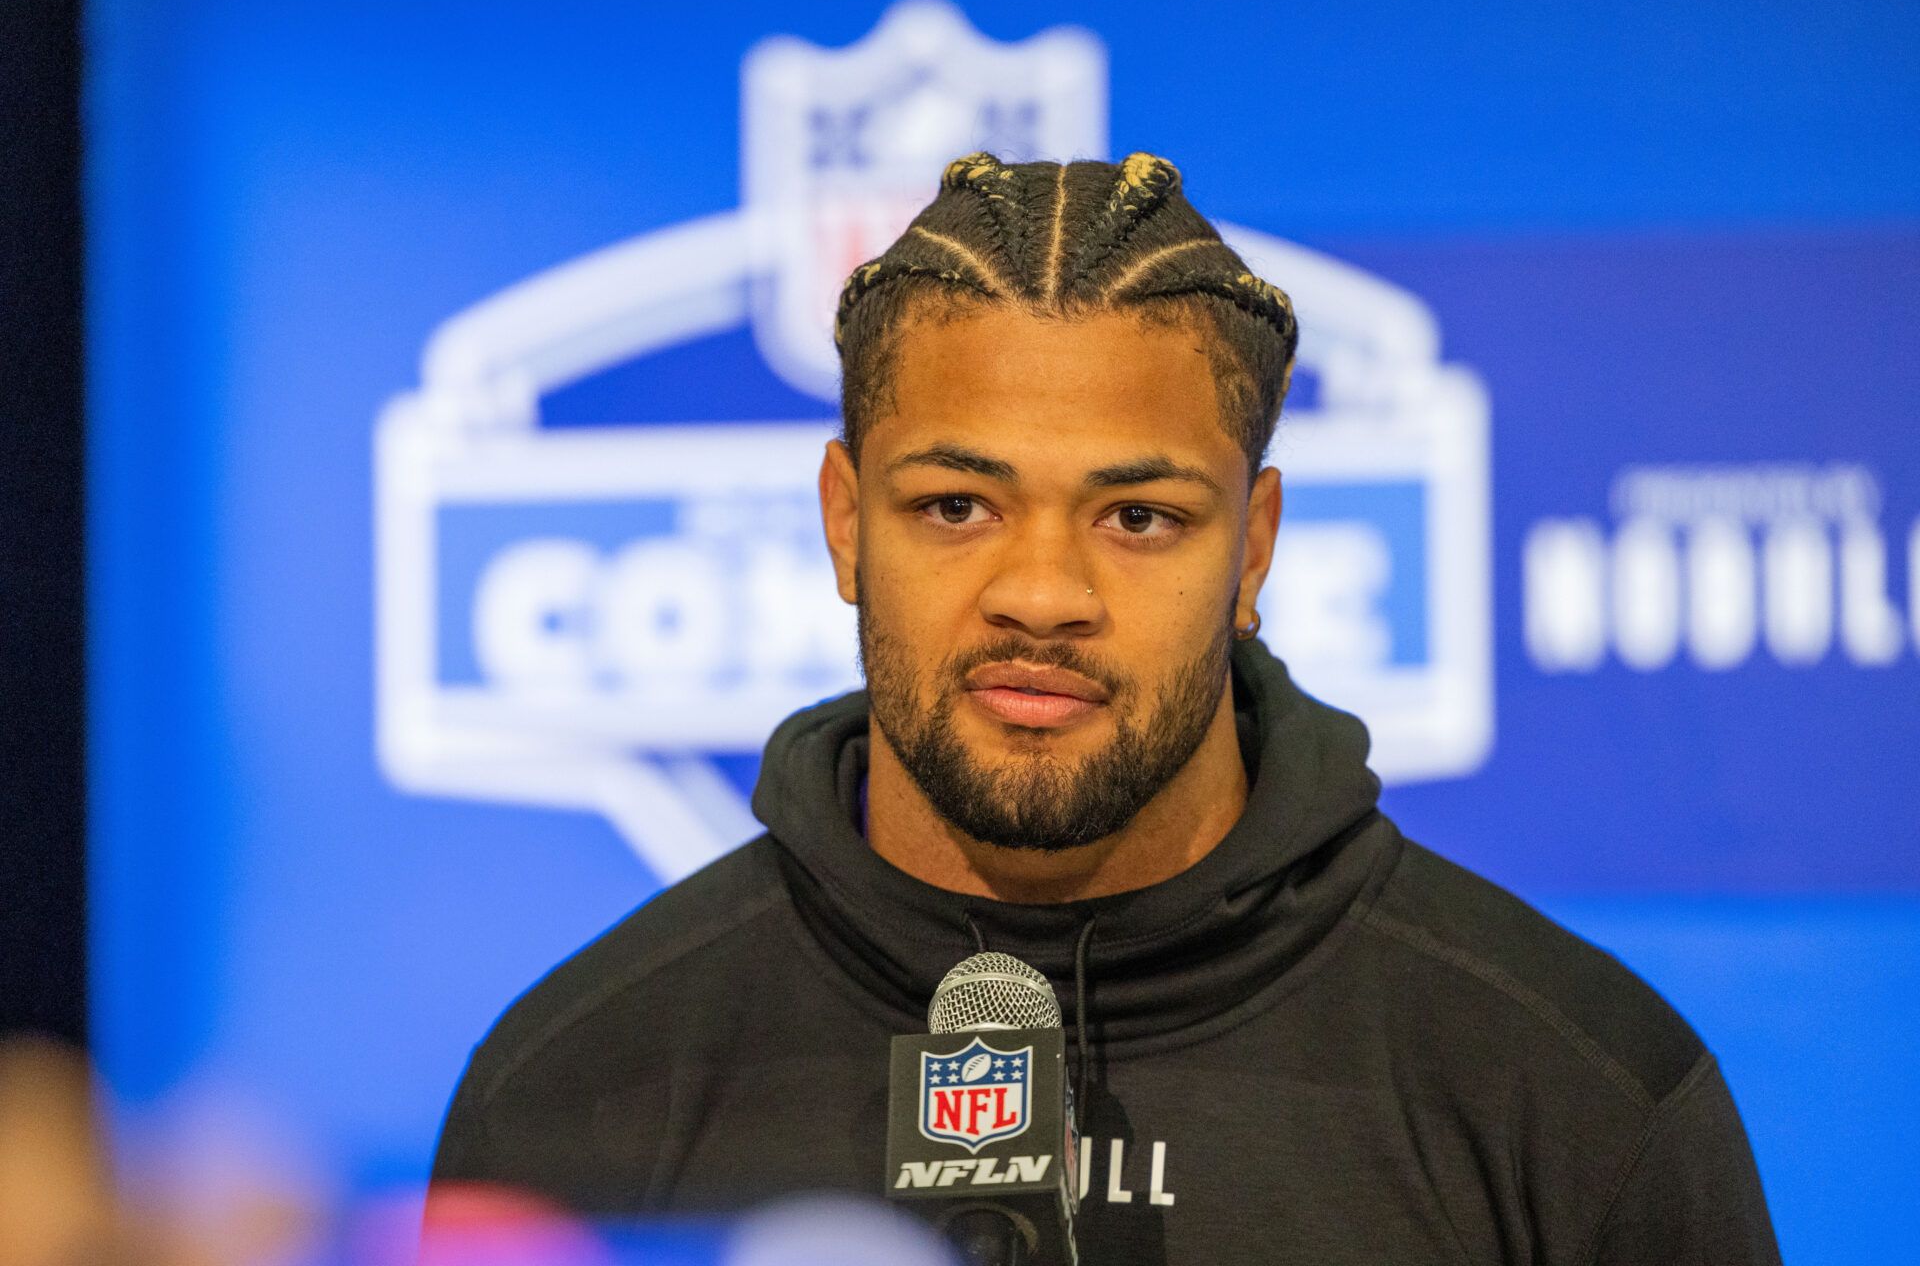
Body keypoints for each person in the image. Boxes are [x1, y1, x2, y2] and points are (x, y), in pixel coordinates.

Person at [429, 152, 1781, 1264]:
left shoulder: (1574, 1095)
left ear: (1252, 549)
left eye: (1138, 516)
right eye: (956, 506)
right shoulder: (576, 1093)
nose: (1040, 592)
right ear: (845, 522)